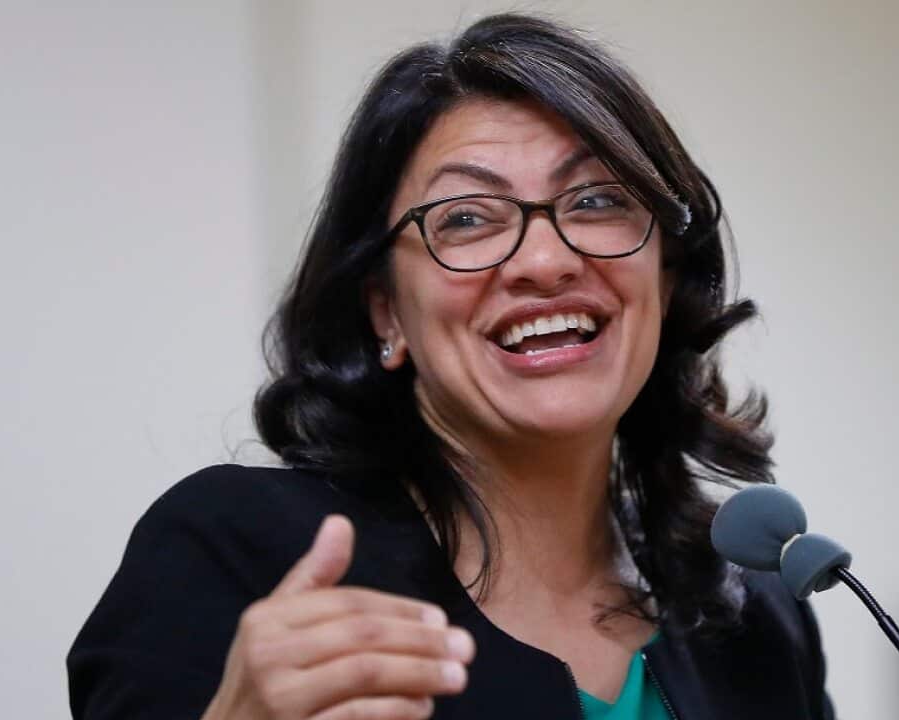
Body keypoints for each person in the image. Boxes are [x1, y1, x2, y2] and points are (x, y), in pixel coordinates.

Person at [68, 13, 834, 720]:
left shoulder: (757, 614)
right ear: (386, 313)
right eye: (466, 218)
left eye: (598, 201)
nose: (545, 258)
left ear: (665, 279)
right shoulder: (239, 553)